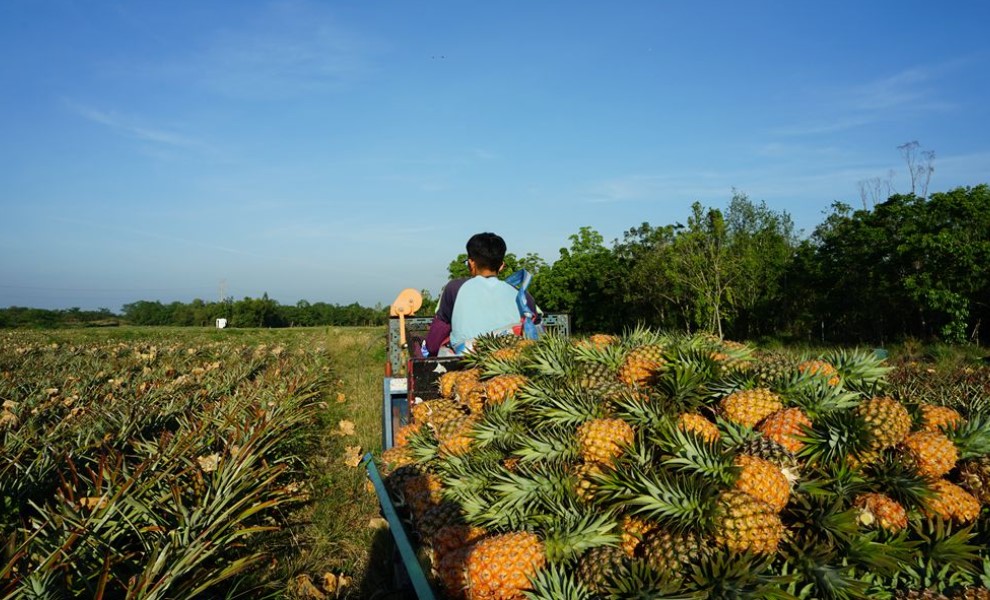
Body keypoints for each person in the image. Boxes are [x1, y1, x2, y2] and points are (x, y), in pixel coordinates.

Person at [425, 232, 540, 356]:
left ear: (471, 263)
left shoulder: (455, 288)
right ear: (501, 266)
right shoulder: (523, 295)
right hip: (512, 365)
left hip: (466, 368)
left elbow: (433, 345)